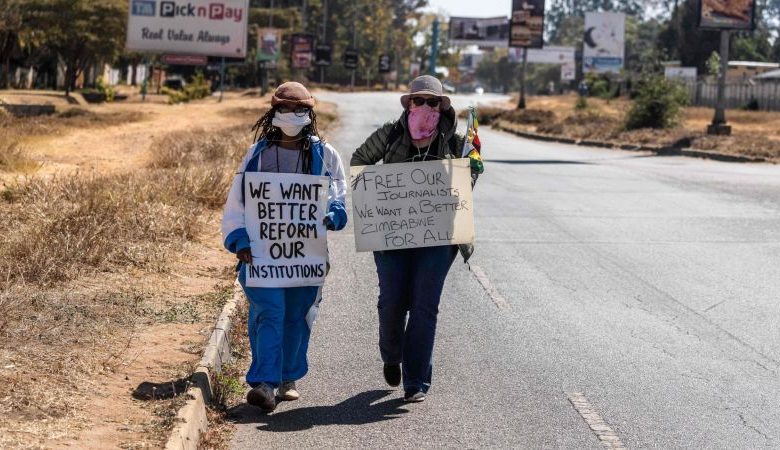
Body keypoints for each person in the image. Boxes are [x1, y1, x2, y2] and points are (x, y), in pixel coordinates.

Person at [351, 75, 482, 402]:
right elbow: (359, 161)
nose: (425, 106)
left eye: (432, 101)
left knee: (425, 306)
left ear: (442, 107)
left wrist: (469, 165)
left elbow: (470, 178)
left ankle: (415, 382)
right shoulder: (390, 133)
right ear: (409, 104)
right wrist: (379, 197)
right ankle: (391, 355)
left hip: (438, 239)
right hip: (392, 237)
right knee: (392, 303)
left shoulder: (454, 141)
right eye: (418, 100)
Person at [222, 81, 348, 412]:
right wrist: (239, 239)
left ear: (310, 113)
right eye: (285, 109)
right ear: (273, 112)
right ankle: (264, 383)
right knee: (269, 313)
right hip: (261, 256)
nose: (291, 115)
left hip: (306, 257)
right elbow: (237, 201)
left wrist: (335, 213)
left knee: (298, 315)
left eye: (299, 109)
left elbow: (339, 192)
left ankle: (288, 377)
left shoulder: (325, 155)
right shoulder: (257, 155)